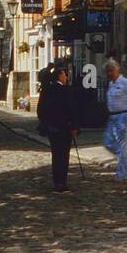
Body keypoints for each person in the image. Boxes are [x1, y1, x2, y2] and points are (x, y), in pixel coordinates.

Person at [38, 64, 80, 193]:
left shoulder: (46, 90)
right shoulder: (66, 90)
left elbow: (40, 110)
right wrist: (74, 126)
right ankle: (62, 181)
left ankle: (57, 182)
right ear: (59, 76)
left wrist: (46, 122)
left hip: (52, 127)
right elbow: (72, 110)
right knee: (64, 154)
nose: (66, 77)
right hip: (65, 127)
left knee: (56, 154)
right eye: (64, 75)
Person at [102, 59, 127, 180]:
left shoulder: (125, 82)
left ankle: (122, 174)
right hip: (112, 116)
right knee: (108, 142)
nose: (109, 73)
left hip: (124, 115)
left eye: (111, 71)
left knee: (122, 144)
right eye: (108, 71)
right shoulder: (111, 84)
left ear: (117, 70)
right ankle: (125, 160)